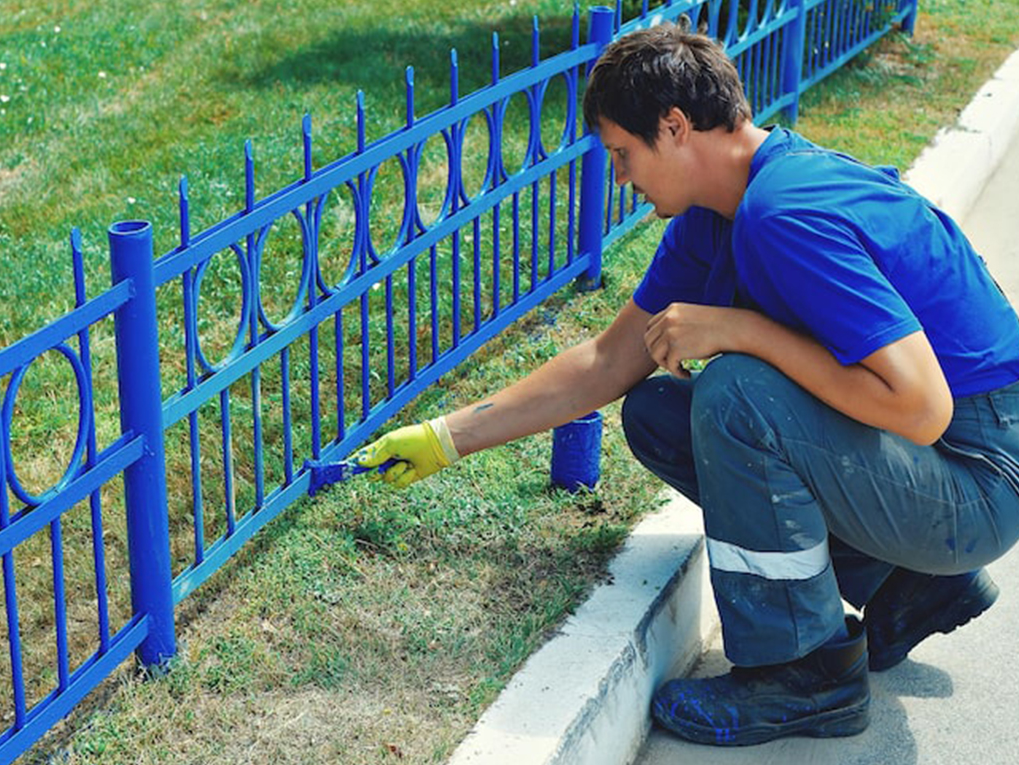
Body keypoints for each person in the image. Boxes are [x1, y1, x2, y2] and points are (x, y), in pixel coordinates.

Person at [355, 19, 1019, 746]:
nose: (620, 177)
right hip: (941, 464)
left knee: (737, 396)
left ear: (674, 127)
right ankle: (907, 585)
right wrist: (444, 438)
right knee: (660, 412)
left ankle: (804, 673)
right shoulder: (720, 212)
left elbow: (922, 407)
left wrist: (742, 331)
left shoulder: (784, 213)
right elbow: (609, 361)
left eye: (622, 153)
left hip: (979, 474)